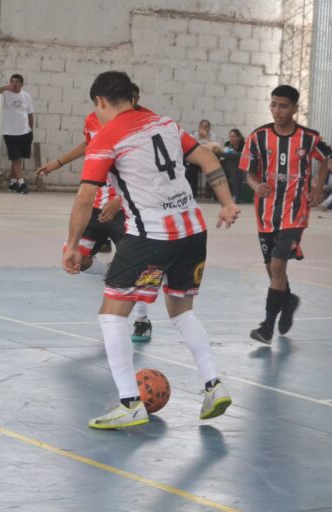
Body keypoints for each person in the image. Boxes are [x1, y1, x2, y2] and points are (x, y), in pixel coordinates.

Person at [63, 71, 240, 429]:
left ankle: (129, 403)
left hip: (152, 236)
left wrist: (71, 245)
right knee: (181, 312)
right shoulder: (166, 123)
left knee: (112, 315)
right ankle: (213, 384)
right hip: (193, 231)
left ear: (100, 103)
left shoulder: (106, 136)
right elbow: (207, 159)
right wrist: (227, 202)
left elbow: (85, 198)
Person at [36, 82, 153, 344]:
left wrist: (120, 199)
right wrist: (57, 163)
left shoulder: (145, 125)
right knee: (76, 258)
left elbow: (147, 173)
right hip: (95, 205)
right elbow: (88, 145)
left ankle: (142, 319)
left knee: (140, 264)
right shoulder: (94, 120)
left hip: (126, 207)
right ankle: (108, 272)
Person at [240, 85, 332, 344]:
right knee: (272, 268)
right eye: (273, 105)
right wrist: (256, 185)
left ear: (294, 108)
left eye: (282, 106)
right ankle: (288, 299)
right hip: (266, 213)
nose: (276, 110)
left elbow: (326, 158)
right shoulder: (258, 137)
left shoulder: (309, 138)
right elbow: (248, 172)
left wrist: (317, 186)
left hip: (295, 212)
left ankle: (266, 327)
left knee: (279, 264)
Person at [0, 74, 34, 194]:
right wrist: (5, 87)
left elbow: (30, 114)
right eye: (12, 81)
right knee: (15, 157)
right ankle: (22, 182)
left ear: (21, 84)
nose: (14, 84)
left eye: (17, 82)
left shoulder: (26, 96)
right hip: (9, 132)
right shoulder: (4, 95)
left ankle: (14, 182)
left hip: (24, 131)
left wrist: (30, 129)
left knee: (19, 157)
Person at [185, 119, 220, 197]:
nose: (204, 128)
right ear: (199, 127)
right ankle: (193, 193)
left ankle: (213, 195)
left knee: (215, 170)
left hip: (208, 161)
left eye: (206, 126)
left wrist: (205, 137)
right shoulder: (195, 135)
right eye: (202, 126)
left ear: (209, 128)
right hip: (196, 161)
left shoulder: (211, 135)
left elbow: (214, 146)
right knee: (191, 170)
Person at [222, 128, 246, 204]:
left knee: (238, 174)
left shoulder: (244, 144)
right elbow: (225, 155)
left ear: (239, 137)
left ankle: (237, 197)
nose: (232, 139)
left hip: (241, 166)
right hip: (229, 166)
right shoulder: (227, 144)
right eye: (231, 136)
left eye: (234, 136)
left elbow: (245, 156)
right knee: (225, 172)